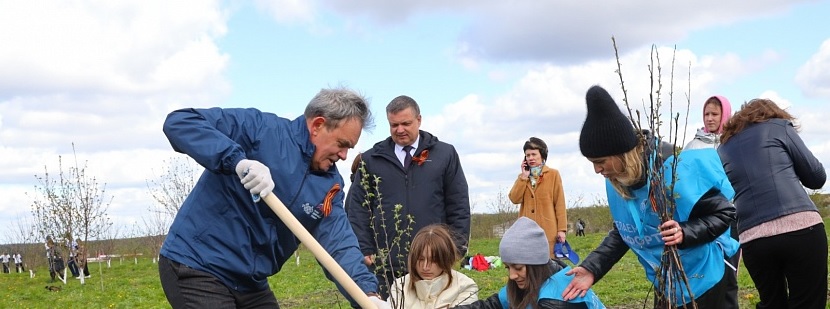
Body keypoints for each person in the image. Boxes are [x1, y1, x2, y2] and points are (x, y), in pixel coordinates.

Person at [158, 87, 388, 309]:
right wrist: (238, 161)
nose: (344, 155)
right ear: (318, 125)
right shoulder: (261, 131)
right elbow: (181, 122)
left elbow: (339, 245)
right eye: (342, 144)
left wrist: (368, 295)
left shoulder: (330, 186)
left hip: (249, 281)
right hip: (198, 264)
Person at [563, 85, 738, 308]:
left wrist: (685, 232)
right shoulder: (619, 180)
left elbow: (724, 213)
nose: (597, 170)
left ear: (621, 154)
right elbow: (626, 230)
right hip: (667, 280)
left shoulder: (675, 170)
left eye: (600, 162)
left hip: (707, 277)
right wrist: (592, 268)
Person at [347, 95, 471, 298]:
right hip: (387, 262)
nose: (400, 130)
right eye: (394, 125)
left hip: (433, 261)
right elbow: (359, 208)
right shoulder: (371, 160)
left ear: (419, 120)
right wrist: (364, 247)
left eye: (406, 123)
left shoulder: (444, 154)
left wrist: (456, 247)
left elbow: (458, 204)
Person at [718, 99, 827, 309]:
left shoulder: (723, 148)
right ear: (772, 113)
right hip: (801, 227)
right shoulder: (779, 127)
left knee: (772, 304)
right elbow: (816, 177)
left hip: (753, 238)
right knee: (808, 302)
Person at [455, 217, 605, 309]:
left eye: (518, 268)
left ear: (536, 263)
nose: (512, 275)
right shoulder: (534, 279)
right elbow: (492, 305)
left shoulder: (555, 300)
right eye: (508, 268)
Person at [683, 95, 740, 309]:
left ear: (725, 115)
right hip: (702, 219)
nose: (709, 118)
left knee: (729, 273)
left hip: (730, 217)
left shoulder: (733, 144)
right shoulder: (693, 146)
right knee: (703, 273)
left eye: (715, 114)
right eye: (706, 114)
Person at [388, 224, 478, 308]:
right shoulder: (400, 286)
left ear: (446, 258)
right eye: (421, 259)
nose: (425, 267)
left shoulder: (465, 287)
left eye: (434, 260)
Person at [509, 137, 568, 258]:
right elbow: (514, 199)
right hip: (526, 232)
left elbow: (560, 203)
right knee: (529, 266)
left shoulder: (553, 174)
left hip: (548, 230)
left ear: (542, 155)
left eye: (533, 154)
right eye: (527, 155)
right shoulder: (523, 177)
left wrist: (561, 229)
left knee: (549, 265)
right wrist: (523, 178)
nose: (530, 158)